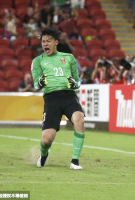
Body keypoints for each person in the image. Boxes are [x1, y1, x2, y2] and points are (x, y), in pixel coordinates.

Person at [31, 27, 85, 170]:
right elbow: (36, 83)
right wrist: (40, 83)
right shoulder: (37, 61)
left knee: (79, 119)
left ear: (56, 42)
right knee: (47, 140)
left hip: (69, 97)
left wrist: (75, 84)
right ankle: (43, 154)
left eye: (48, 41)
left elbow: (77, 81)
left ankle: (75, 161)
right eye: (43, 41)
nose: (45, 44)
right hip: (51, 99)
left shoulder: (69, 58)